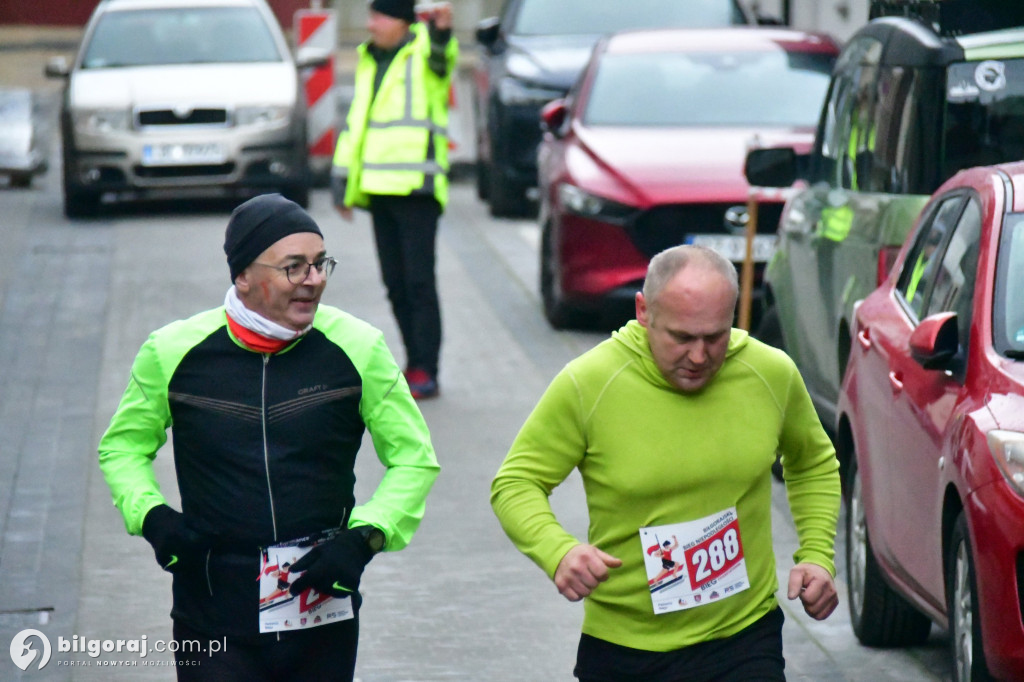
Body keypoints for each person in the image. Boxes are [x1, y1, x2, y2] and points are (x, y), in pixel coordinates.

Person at [97, 193, 440, 680]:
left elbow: (414, 458)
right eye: (294, 267)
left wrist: (366, 536)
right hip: (212, 603)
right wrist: (151, 516)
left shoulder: (359, 347)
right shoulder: (172, 351)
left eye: (321, 264)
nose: (314, 280)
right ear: (243, 277)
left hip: (320, 600)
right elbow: (123, 446)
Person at [491, 245, 841, 682]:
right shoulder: (590, 383)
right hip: (627, 647)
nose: (699, 357)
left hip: (743, 637)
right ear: (644, 311)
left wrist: (817, 555)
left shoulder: (769, 373)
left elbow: (812, 461)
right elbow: (516, 482)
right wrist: (557, 551)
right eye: (681, 337)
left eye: (715, 337)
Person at [331, 0, 458, 400]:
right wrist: (342, 184)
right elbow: (356, 126)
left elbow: (442, 54)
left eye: (379, 16)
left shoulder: (424, 51)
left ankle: (427, 367)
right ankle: (412, 359)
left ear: (403, 21)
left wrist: (440, 29)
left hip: (415, 189)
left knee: (419, 282)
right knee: (394, 283)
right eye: (370, 16)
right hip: (377, 189)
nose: (371, 24)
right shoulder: (370, 59)